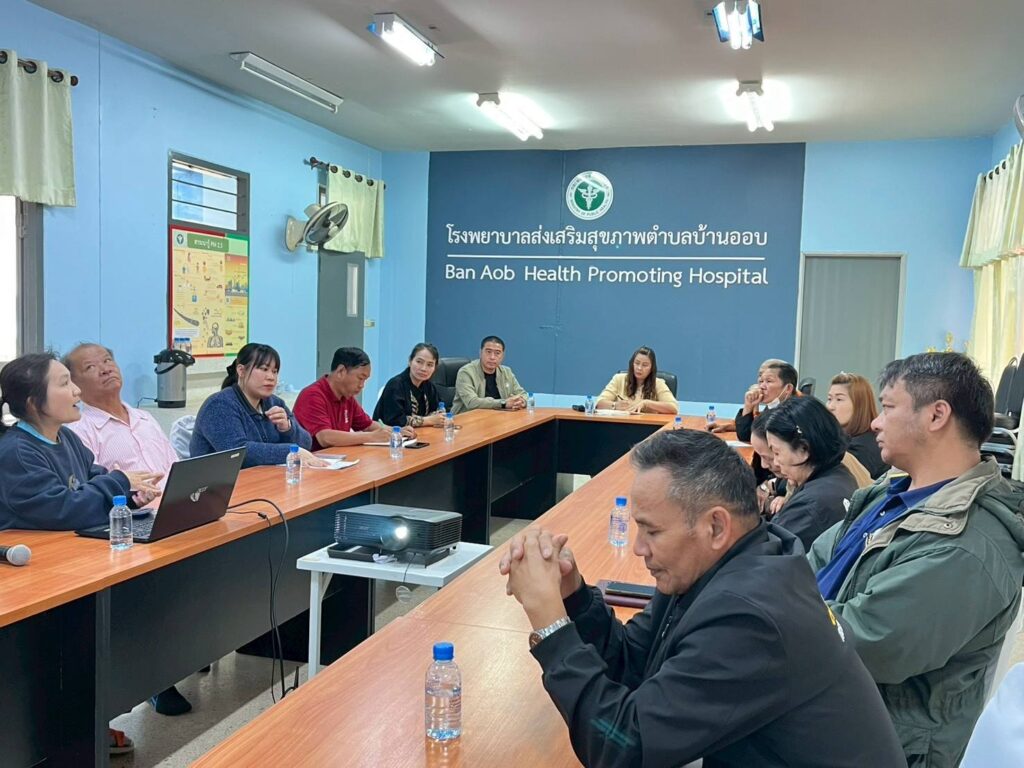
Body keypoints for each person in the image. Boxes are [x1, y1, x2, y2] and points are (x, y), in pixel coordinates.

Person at [498, 429, 905, 768]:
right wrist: (572, 595)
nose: (639, 548)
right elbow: (635, 665)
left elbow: (625, 749)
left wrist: (551, 627)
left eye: (652, 531)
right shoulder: (720, 564)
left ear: (715, 527)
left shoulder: (750, 617)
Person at [808, 352, 1024, 765]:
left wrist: (774, 615)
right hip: (827, 703)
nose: (875, 423)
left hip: (877, 743)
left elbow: (866, 643)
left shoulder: (969, 545)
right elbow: (810, 564)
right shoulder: (888, 496)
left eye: (888, 407)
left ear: (936, 415)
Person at [0, 352, 163, 755]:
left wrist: (128, 494)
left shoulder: (67, 437)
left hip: (68, 563)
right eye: (64, 383)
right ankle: (70, 732)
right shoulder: (18, 451)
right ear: (34, 402)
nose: (76, 391)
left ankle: (91, 719)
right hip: (33, 576)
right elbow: (62, 509)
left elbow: (93, 479)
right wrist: (117, 483)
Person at [63, 343, 195, 717]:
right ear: (74, 384)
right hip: (129, 527)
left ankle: (195, 646)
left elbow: (174, 468)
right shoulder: (79, 429)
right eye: (91, 367)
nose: (106, 368)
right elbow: (90, 490)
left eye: (108, 360)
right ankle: (155, 678)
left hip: (175, 513)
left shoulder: (144, 417)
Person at [190, 343, 323, 468]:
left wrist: (287, 428)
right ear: (241, 371)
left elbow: (306, 444)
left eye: (274, 371)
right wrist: (290, 451)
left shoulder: (275, 403)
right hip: (218, 483)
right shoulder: (219, 405)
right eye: (264, 369)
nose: (271, 377)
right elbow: (237, 452)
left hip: (265, 478)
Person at [762, 397, 859, 551]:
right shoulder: (840, 474)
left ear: (803, 449)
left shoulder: (809, 507)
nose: (775, 462)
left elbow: (767, 555)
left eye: (777, 452)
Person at [293, 347, 413, 449]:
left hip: (338, 459)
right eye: (360, 378)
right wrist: (372, 437)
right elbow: (325, 437)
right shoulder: (312, 395)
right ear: (341, 371)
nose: (362, 385)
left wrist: (396, 431)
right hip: (311, 463)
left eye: (365, 380)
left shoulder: (346, 397)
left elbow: (367, 425)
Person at [826, 372, 889, 479]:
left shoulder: (861, 449)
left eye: (839, 399)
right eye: (829, 399)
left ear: (859, 404)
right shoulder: (844, 441)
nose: (830, 407)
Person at [372, 343, 445, 428]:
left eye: (430, 365)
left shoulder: (429, 386)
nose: (423, 368)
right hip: (389, 434)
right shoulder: (395, 385)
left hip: (420, 433)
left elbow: (438, 409)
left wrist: (440, 417)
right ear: (410, 361)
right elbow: (395, 421)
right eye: (419, 362)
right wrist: (428, 420)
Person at [452, 335, 527, 414]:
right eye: (488, 352)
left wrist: (522, 402)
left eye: (497, 353)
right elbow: (471, 402)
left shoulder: (506, 371)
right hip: (467, 418)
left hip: (496, 416)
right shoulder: (466, 372)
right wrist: (503, 403)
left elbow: (522, 394)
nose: (492, 357)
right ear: (480, 352)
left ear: (502, 356)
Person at [594, 346, 678, 414]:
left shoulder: (658, 383)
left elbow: (673, 408)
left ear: (651, 368)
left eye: (645, 365)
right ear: (632, 364)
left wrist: (646, 403)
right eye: (637, 363)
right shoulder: (619, 379)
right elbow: (599, 403)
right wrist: (615, 405)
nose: (639, 368)